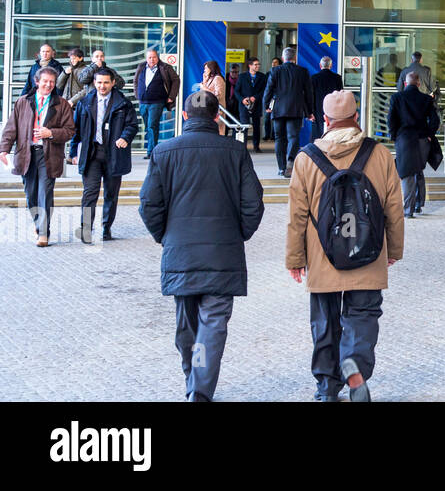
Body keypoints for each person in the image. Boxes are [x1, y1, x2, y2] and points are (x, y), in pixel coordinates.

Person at [139, 90, 265, 402]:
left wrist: (164, 237)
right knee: (213, 323)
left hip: (180, 251)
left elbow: (148, 205)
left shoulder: (164, 151)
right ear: (216, 117)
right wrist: (238, 235)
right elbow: (254, 205)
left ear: (183, 116)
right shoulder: (234, 152)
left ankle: (194, 380)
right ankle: (199, 386)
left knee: (188, 324)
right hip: (222, 251)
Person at [286, 90, 403, 402]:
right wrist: (393, 249)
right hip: (368, 251)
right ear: (357, 118)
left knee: (324, 319)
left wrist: (295, 258)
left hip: (323, 255)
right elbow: (394, 206)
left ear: (325, 120)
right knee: (363, 314)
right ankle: (355, 367)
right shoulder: (379, 154)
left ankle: (326, 388)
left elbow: (296, 215)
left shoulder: (305, 158)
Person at [1, 67, 75, 247]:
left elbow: (70, 131)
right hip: (26, 154)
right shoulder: (23, 102)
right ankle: (38, 222)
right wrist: (4, 149)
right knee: (31, 195)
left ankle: (44, 233)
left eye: (51, 82)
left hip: (49, 155)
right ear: (37, 82)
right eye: (45, 81)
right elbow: (12, 128)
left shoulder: (62, 104)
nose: (48, 85)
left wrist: (50, 133)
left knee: (45, 193)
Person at [73, 68, 139, 243]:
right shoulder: (85, 103)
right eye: (99, 82)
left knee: (111, 194)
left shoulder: (123, 104)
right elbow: (76, 130)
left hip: (114, 154)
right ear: (94, 83)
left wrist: (125, 137)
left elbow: (132, 125)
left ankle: (106, 227)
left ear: (113, 83)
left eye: (106, 82)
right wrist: (73, 152)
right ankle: (86, 228)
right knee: (89, 193)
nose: (102, 86)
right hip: (92, 154)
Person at [388, 71, 440, 217]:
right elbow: (435, 120)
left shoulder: (396, 97)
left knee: (406, 173)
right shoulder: (426, 99)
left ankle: (408, 210)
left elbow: (391, 119)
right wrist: (429, 135)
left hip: (404, 139)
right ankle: (418, 205)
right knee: (418, 170)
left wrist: (394, 136)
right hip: (422, 139)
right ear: (419, 84)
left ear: (405, 83)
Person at [264, 46, 311, 177]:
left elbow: (268, 90)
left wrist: (266, 105)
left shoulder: (275, 70)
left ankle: (281, 167)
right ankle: (291, 160)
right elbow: (308, 93)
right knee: (293, 137)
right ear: (295, 58)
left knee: (279, 138)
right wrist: (309, 112)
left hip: (278, 109)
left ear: (283, 58)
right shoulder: (302, 71)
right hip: (295, 109)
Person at [134, 48, 179, 158]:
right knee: (147, 127)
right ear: (146, 58)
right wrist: (137, 95)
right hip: (143, 102)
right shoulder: (141, 67)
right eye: (149, 57)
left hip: (157, 102)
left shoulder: (165, 67)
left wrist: (171, 96)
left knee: (152, 126)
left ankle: (152, 152)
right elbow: (136, 81)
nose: (152, 59)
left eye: (154, 57)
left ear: (157, 57)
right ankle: (151, 149)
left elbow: (176, 80)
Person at [58, 48, 91, 163]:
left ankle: (72, 155)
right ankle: (67, 155)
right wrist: (64, 73)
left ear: (80, 58)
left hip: (76, 105)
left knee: (75, 131)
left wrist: (73, 100)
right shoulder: (69, 70)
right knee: (64, 130)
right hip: (66, 104)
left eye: (74, 58)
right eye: (70, 58)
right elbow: (58, 84)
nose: (72, 60)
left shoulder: (84, 70)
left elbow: (85, 90)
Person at [308, 55, 344, 142]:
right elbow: (340, 95)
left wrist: (310, 112)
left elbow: (310, 96)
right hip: (333, 110)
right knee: (332, 133)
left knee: (317, 135)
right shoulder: (337, 78)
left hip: (318, 110)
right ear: (331, 66)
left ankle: (316, 152)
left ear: (320, 65)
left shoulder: (314, 78)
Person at [234, 58, 267, 152]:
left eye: (258, 64)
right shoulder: (242, 76)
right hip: (244, 105)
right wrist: (242, 99)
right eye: (255, 64)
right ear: (250, 65)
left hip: (256, 105)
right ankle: (243, 147)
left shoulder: (262, 77)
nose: (258, 66)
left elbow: (264, 90)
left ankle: (256, 146)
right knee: (244, 125)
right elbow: (237, 91)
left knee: (257, 126)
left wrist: (256, 97)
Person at [200, 61, 228, 135]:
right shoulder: (210, 79)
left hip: (217, 110)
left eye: (206, 68)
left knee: (218, 131)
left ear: (211, 68)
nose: (204, 70)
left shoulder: (218, 78)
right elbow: (203, 93)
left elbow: (218, 95)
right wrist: (204, 80)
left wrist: (204, 88)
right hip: (209, 109)